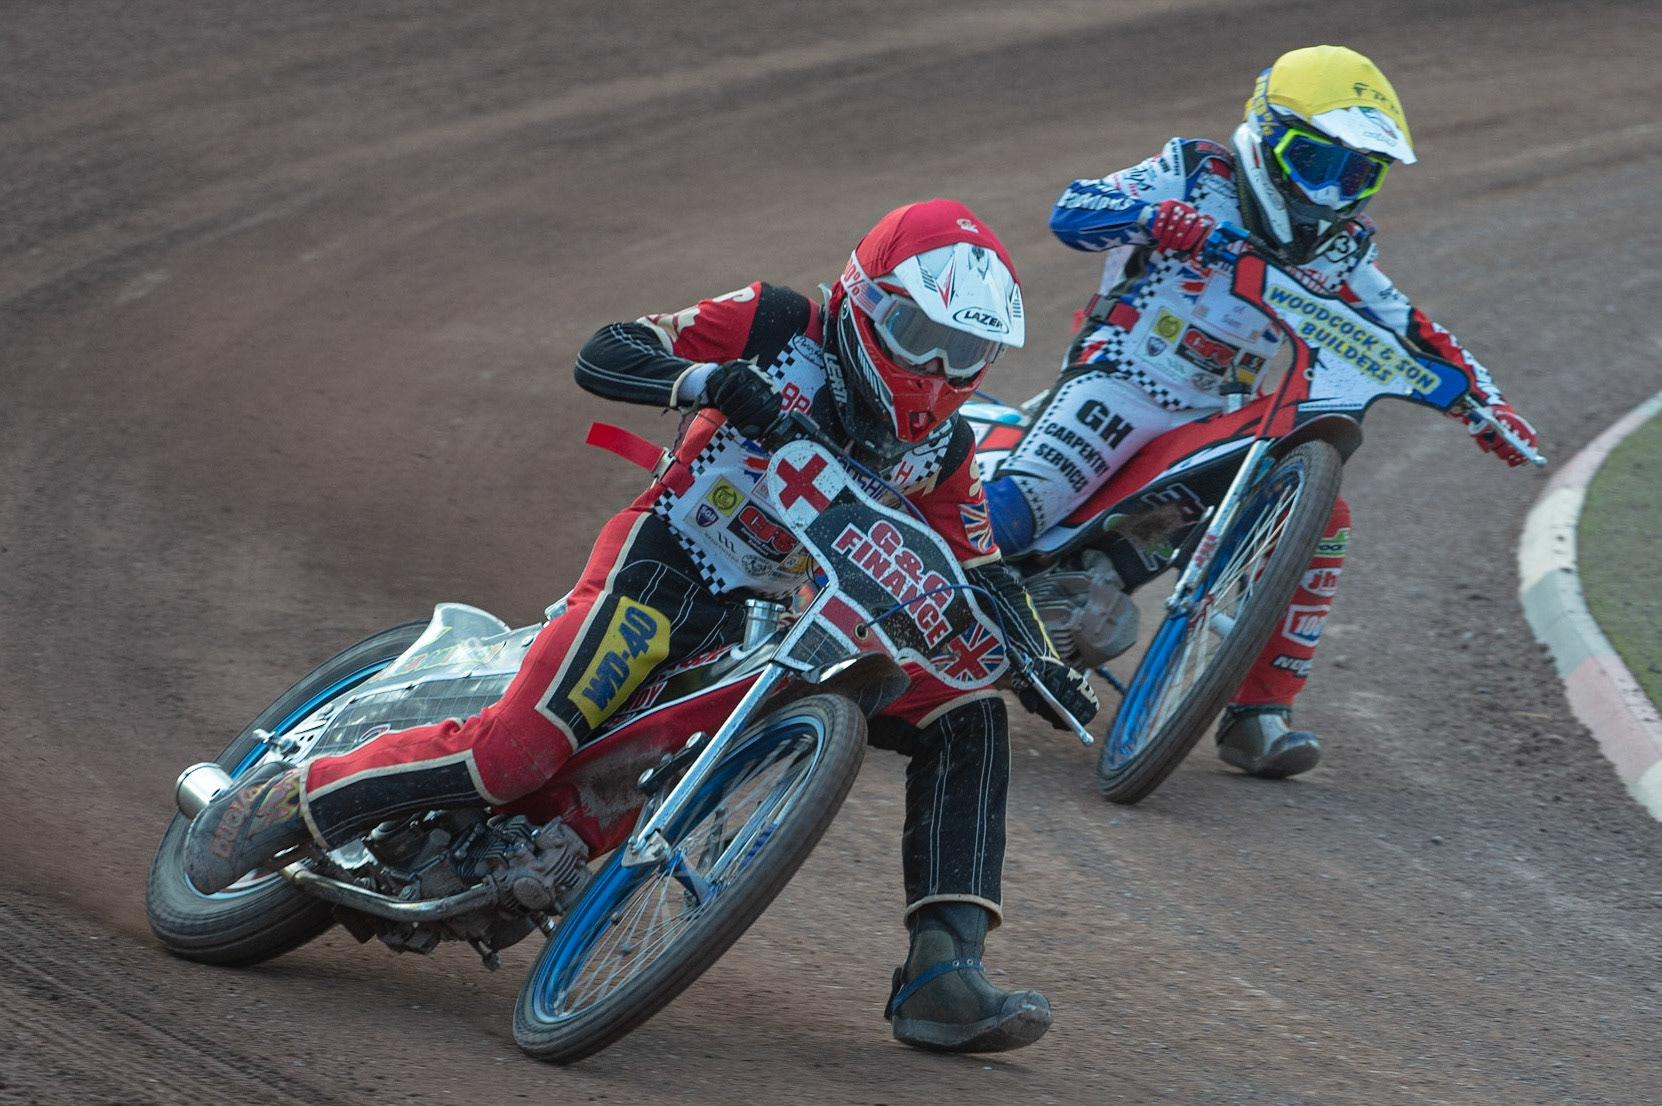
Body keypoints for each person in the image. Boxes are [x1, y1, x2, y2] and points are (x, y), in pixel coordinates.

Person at [181, 199, 1099, 1054]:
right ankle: (298, 797)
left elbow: (974, 565)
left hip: (776, 620)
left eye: (963, 355)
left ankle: (944, 970)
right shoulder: (780, 325)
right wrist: (707, 380)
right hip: (670, 563)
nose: (936, 376)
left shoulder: (944, 447)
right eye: (918, 337)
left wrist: (1039, 658)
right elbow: (608, 348)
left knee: (970, 707)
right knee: (517, 758)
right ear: (863, 303)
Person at [981, 45, 1539, 779]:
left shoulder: (1342, 247)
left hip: (1218, 411)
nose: (1334, 191)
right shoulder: (1196, 171)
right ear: (1269, 137)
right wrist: (1160, 219)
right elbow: (1073, 210)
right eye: (1317, 162)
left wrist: (1483, 402)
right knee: (1016, 516)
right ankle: (889, 605)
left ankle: (1257, 717)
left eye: (1358, 173)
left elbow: (1407, 325)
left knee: (1322, 519)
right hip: (1119, 380)